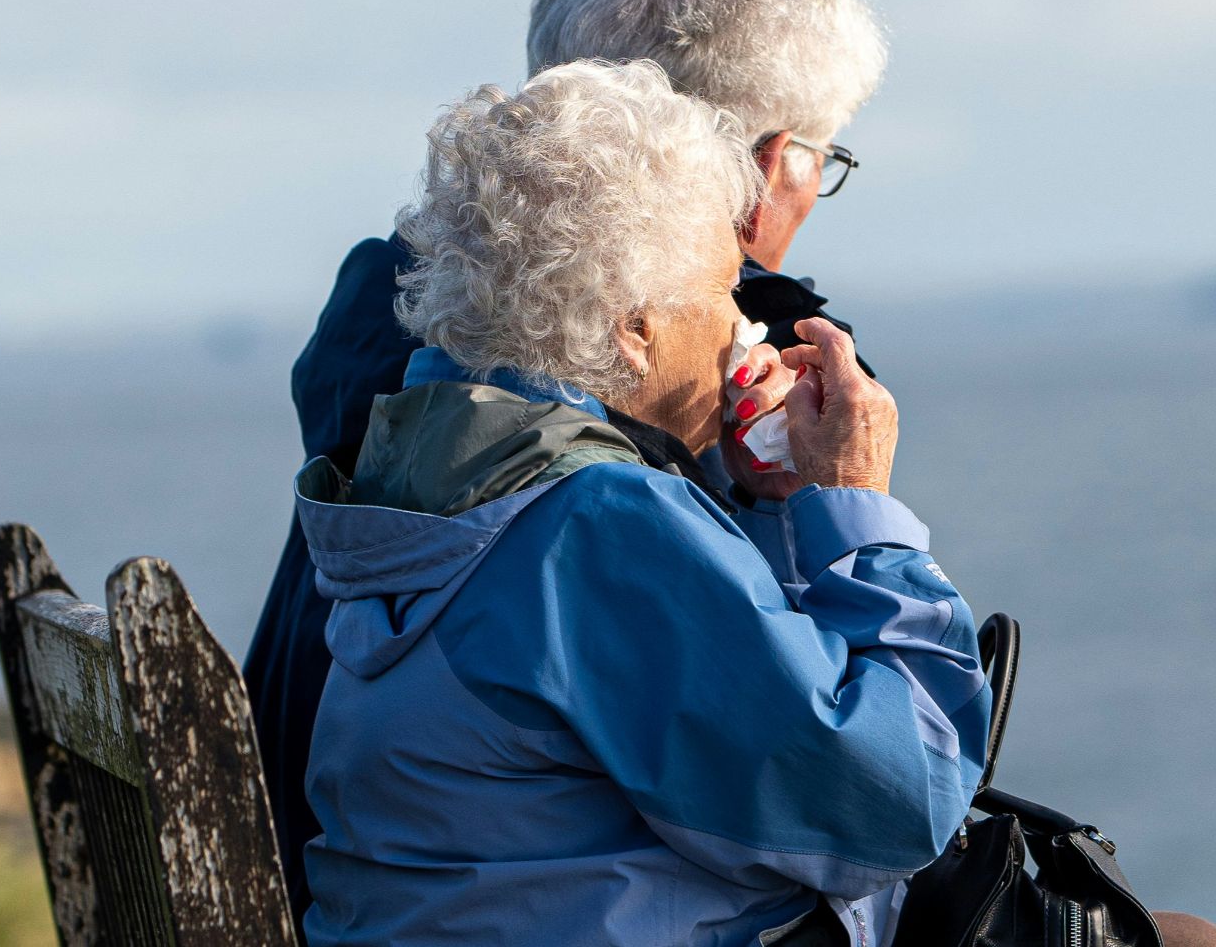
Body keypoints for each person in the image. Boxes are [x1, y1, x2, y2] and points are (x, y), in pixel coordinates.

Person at [244, 0, 890, 930]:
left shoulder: (402, 324)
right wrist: (837, 505)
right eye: (821, 153)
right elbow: (848, 797)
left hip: (325, 851)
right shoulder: (684, 391)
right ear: (763, 165)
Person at [294, 59, 988, 947]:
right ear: (634, 329)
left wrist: (767, 499)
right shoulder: (591, 524)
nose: (744, 323)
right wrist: (853, 505)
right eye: (720, 289)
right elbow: (891, 804)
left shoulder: (435, 462)